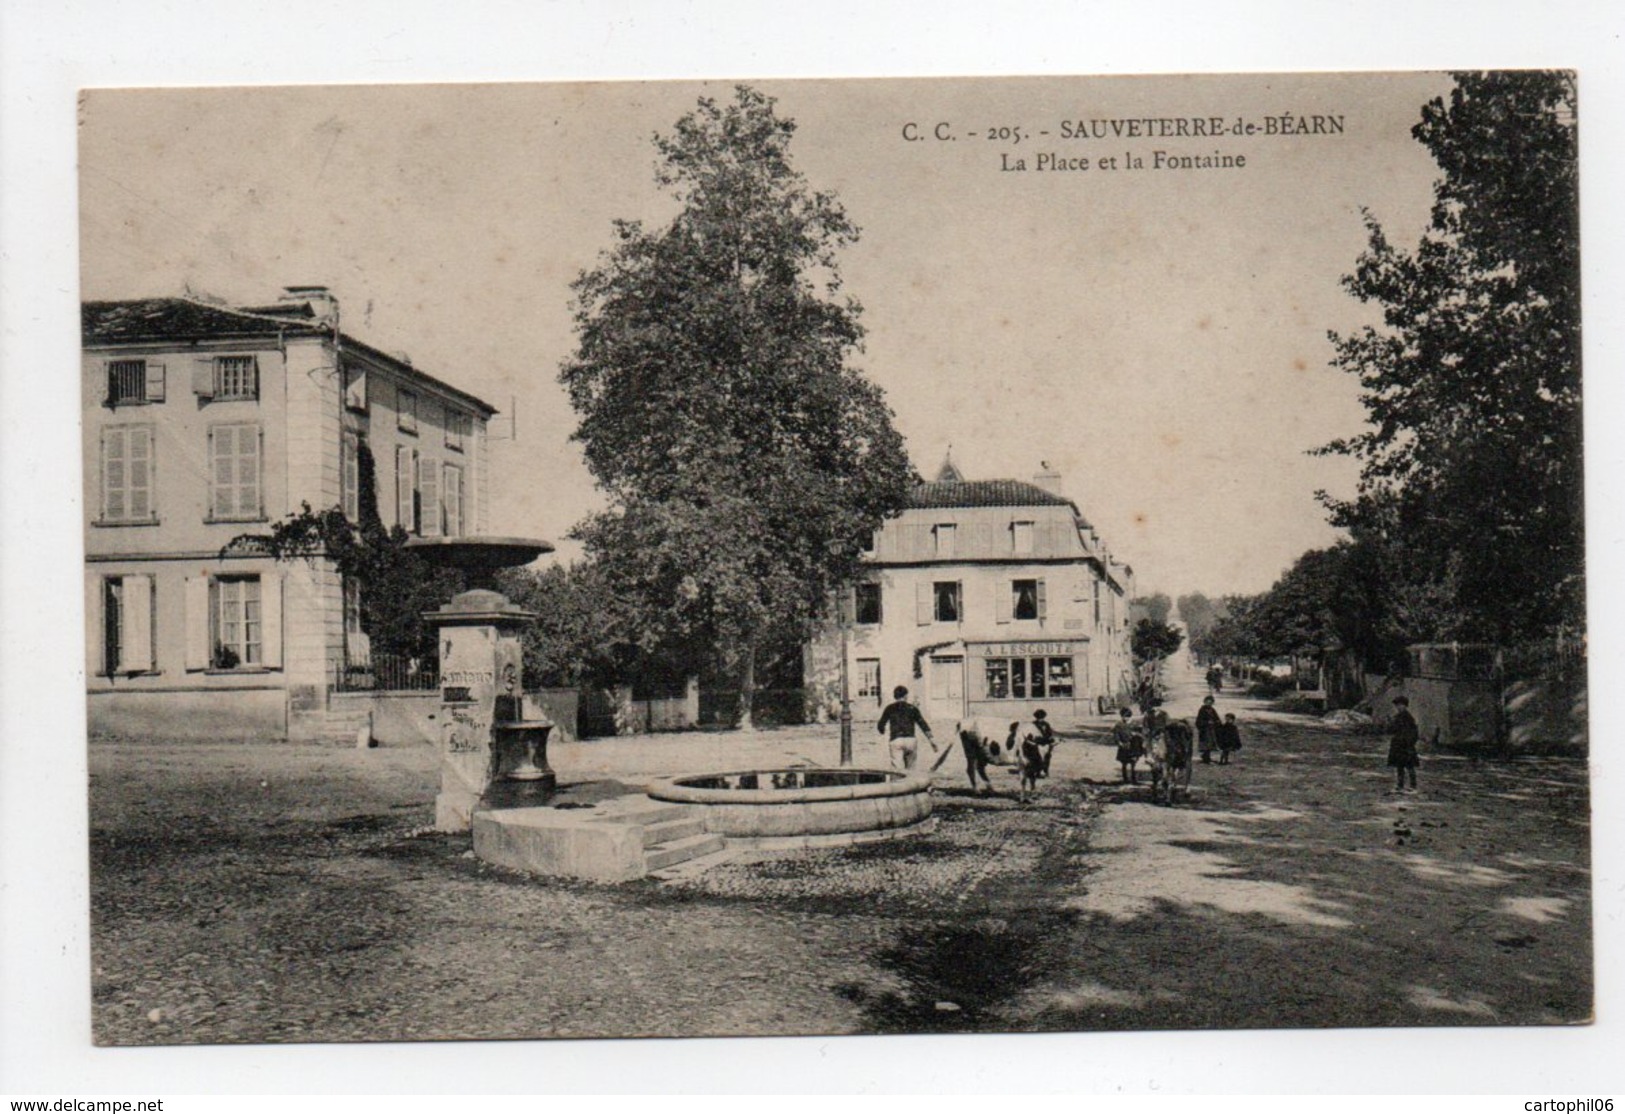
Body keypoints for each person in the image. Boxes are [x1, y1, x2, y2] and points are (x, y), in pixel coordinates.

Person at [877, 685, 937, 770]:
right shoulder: (912, 708)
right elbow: (922, 724)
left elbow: (880, 725)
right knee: (911, 769)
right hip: (910, 740)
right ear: (905, 696)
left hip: (896, 740)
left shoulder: (889, 708)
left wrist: (882, 730)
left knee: (896, 769)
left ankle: (896, 782)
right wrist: (931, 740)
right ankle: (910, 780)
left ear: (895, 696)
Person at [1388, 694, 1420, 791]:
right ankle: (1400, 785)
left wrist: (1410, 743)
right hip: (1398, 744)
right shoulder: (1397, 717)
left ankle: (1413, 786)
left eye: (1400, 705)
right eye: (1397, 705)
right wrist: (1390, 723)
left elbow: (1414, 732)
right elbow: (1392, 730)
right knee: (1399, 766)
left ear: (1405, 706)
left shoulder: (1408, 718)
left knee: (1410, 766)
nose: (1398, 707)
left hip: (1406, 745)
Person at [1112, 706, 1144, 784]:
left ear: (1130, 717)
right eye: (1123, 717)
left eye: (1127, 717)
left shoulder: (1135, 725)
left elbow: (1141, 735)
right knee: (1124, 763)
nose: (1125, 719)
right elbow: (1116, 735)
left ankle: (1133, 778)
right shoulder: (1118, 725)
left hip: (1133, 747)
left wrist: (1136, 734)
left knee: (1133, 763)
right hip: (1124, 746)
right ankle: (1125, 779)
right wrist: (1119, 742)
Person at [1030, 709, 1057, 777]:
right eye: (1039, 718)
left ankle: (1045, 770)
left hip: (1046, 743)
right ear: (1036, 717)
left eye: (1042, 717)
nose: (1040, 719)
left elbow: (1049, 734)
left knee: (1047, 757)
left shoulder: (1046, 724)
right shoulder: (1033, 724)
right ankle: (1038, 771)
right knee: (1036, 758)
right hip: (1037, 743)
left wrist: (1051, 740)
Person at [1195, 695, 1221, 764]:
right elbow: (1198, 721)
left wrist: (1217, 722)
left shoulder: (1212, 710)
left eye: (1211, 702)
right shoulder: (1202, 710)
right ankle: (1206, 758)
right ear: (1204, 702)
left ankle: (1206, 756)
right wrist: (1206, 722)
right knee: (1206, 744)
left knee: (1210, 743)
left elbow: (1217, 718)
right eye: (1207, 702)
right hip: (1205, 730)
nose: (1209, 704)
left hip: (1211, 729)